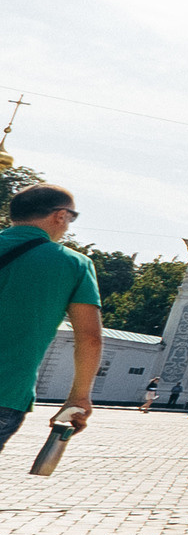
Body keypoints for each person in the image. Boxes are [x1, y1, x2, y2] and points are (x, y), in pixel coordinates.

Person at [0, 186, 102, 458]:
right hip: (6, 391)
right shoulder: (74, 264)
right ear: (60, 216)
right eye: (72, 218)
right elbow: (89, 337)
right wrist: (79, 396)